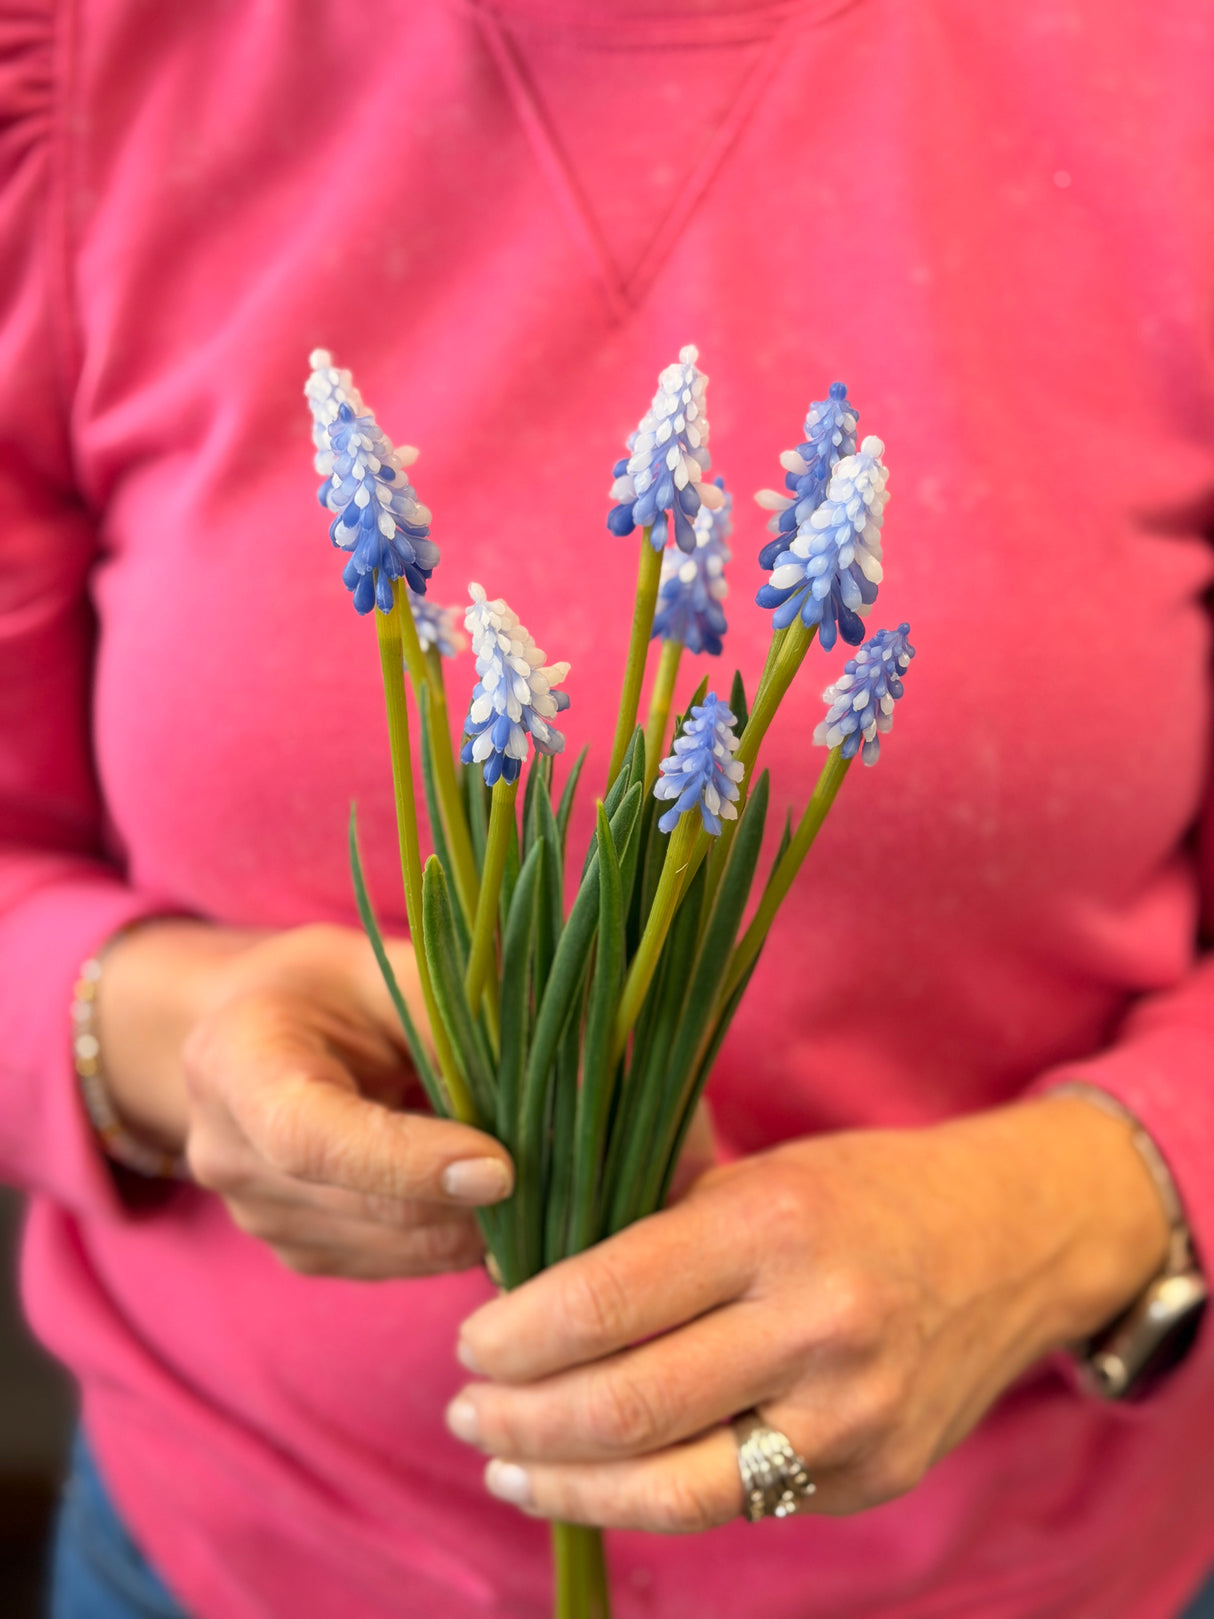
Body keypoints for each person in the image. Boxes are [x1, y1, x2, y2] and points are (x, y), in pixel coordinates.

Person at [3, 0, 1214, 1614]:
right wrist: (172, 1033)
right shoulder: (83, 66)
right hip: (227, 1552)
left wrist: (1059, 1210)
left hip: (1038, 1570)